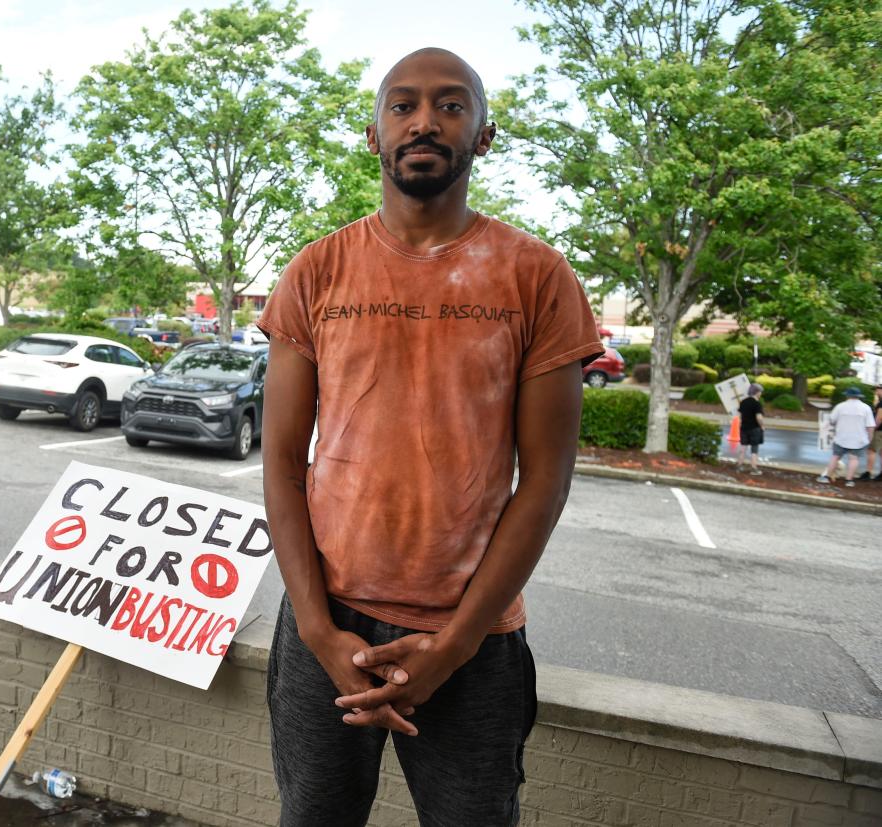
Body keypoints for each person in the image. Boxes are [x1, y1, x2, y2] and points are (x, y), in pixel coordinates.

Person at [257, 47, 603, 826]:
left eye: (451, 105)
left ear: (483, 134)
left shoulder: (538, 275)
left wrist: (450, 646)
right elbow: (281, 462)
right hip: (326, 622)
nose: (424, 120)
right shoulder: (316, 271)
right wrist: (317, 629)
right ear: (373, 134)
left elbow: (545, 480)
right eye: (402, 104)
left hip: (472, 638)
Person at [817, 387, 875, 487]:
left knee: (835, 457)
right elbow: (870, 426)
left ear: (847, 395)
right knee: (854, 459)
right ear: (859, 396)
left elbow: (831, 420)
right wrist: (869, 438)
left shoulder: (840, 406)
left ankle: (826, 477)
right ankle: (849, 480)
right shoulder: (866, 408)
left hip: (841, 437)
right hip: (859, 439)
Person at [734, 384, 765, 475]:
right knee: (754, 448)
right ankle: (754, 468)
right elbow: (759, 417)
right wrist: (762, 426)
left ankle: (739, 466)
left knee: (743, 446)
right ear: (756, 392)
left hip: (744, 428)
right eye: (760, 392)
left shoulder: (743, 402)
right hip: (754, 428)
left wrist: (740, 425)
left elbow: (739, 416)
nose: (760, 394)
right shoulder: (757, 403)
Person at [864, 386, 882, 481]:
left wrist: (873, 428)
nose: (875, 392)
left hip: (879, 431)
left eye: (877, 390)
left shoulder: (881, 403)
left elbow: (879, 418)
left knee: (871, 451)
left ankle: (868, 472)